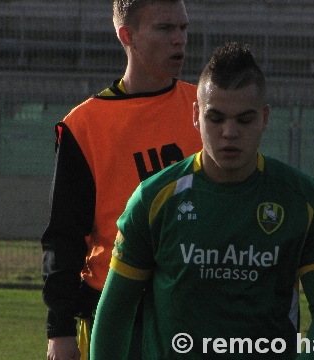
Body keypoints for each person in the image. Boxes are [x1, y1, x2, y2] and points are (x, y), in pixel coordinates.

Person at [91, 42, 314, 360]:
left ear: (265, 118)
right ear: (197, 116)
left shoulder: (303, 200)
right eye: (216, 118)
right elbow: (116, 312)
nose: (229, 132)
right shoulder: (154, 198)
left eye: (244, 120)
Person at [40, 1, 201, 359]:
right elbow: (65, 236)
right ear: (126, 36)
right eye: (165, 29)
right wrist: (60, 330)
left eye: (183, 29)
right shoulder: (85, 125)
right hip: (113, 312)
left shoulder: (207, 111)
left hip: (195, 310)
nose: (179, 40)